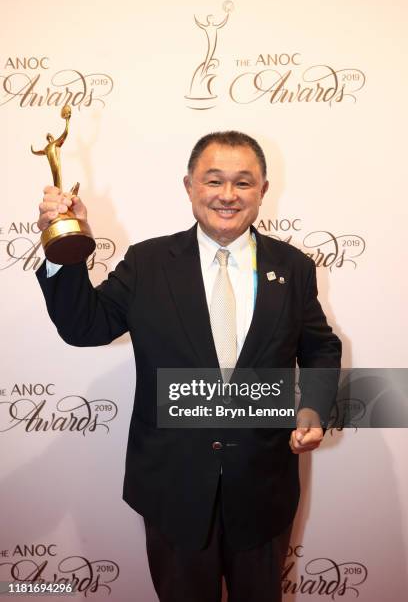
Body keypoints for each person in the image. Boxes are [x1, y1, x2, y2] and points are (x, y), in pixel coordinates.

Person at [36, 131, 342, 602]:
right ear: (189, 186)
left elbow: (320, 348)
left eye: (243, 182)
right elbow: (84, 328)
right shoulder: (148, 262)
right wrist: (67, 246)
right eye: (213, 180)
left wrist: (314, 411)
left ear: (263, 190)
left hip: (263, 490)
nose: (227, 195)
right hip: (171, 489)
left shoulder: (294, 266)